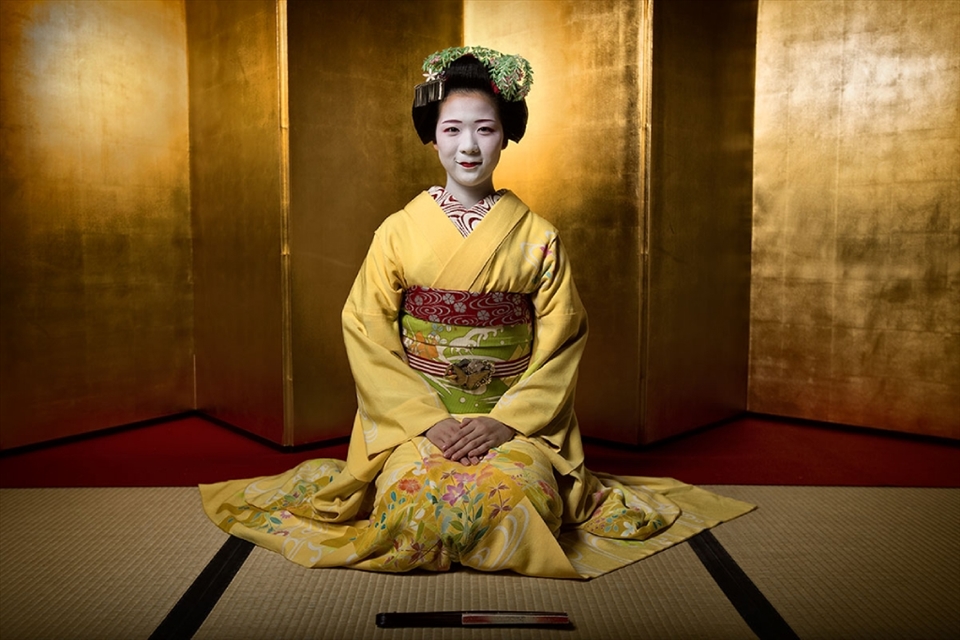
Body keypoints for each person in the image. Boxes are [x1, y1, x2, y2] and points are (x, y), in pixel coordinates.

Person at [200, 46, 752, 579]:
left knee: (513, 507)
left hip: (515, 419)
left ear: (506, 134)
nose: (469, 146)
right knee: (408, 515)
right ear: (432, 138)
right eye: (452, 129)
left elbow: (563, 336)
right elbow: (366, 329)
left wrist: (504, 421)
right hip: (416, 420)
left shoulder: (538, 236)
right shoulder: (398, 232)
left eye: (485, 129)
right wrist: (429, 420)